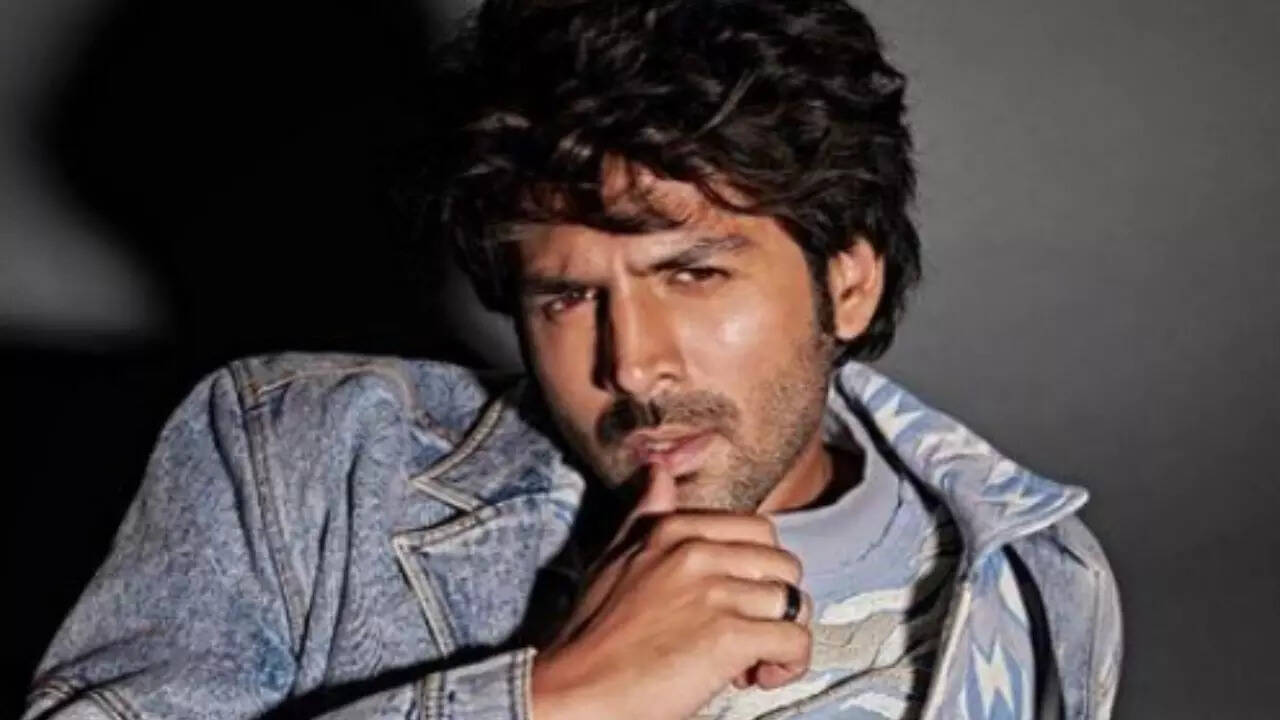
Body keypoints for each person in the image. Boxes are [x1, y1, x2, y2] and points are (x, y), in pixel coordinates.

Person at [23, 1, 1122, 719]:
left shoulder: (1034, 576)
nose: (631, 365)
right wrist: (566, 696)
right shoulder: (305, 465)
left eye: (693, 274)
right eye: (567, 296)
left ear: (849, 281)